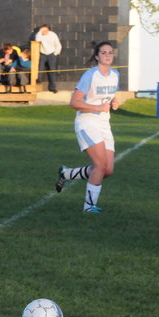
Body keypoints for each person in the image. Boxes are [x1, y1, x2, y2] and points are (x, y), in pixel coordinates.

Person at [55, 41, 119, 214]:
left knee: (108, 170)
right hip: (87, 122)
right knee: (100, 166)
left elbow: (109, 96)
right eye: (103, 53)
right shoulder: (90, 75)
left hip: (104, 123)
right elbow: (74, 103)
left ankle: (67, 174)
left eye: (110, 52)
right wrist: (98, 107)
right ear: (97, 56)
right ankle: (89, 207)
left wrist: (114, 101)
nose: (108, 55)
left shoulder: (115, 74)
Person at [35, 24, 62, 93]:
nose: (43, 32)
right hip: (43, 54)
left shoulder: (53, 35)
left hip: (51, 54)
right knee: (40, 68)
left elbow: (58, 44)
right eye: (42, 30)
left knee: (52, 71)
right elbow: (37, 40)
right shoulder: (40, 35)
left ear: (48, 30)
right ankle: (39, 81)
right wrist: (40, 32)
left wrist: (55, 53)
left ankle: (52, 87)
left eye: (44, 30)